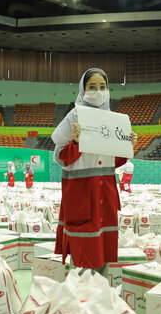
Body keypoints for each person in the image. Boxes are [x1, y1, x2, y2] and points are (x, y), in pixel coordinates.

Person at [51, 68, 137, 274]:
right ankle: (80, 294)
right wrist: (76, 141)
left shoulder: (112, 120)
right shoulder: (75, 116)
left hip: (104, 192)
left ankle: (99, 293)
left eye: (102, 87)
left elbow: (111, 161)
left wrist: (127, 146)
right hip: (81, 192)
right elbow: (60, 158)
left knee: (103, 248)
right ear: (83, 89)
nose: (98, 91)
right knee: (83, 248)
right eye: (92, 87)